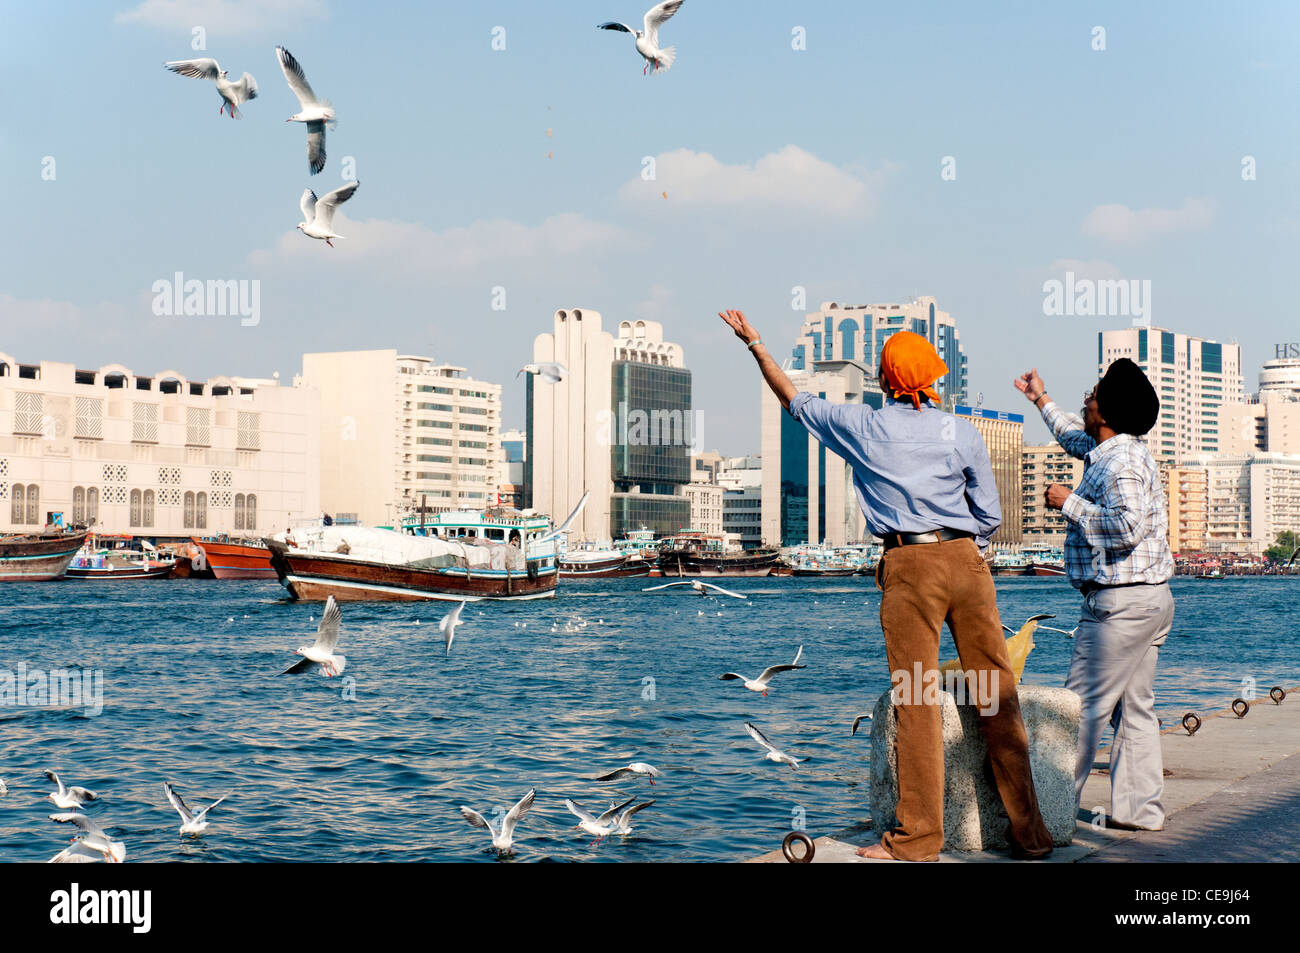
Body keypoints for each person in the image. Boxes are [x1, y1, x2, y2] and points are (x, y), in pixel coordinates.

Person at [721, 309, 1053, 861]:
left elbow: (793, 399)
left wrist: (756, 343)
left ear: (884, 380)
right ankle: (1032, 835)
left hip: (910, 563)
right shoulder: (962, 430)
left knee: (917, 699)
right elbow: (989, 516)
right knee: (998, 695)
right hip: (968, 562)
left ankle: (918, 840)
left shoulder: (865, 425)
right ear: (932, 379)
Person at [1014, 360, 1174, 830]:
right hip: (1148, 600)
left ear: (1107, 411)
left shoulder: (1119, 463)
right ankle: (1140, 812)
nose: (1087, 397)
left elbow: (1126, 527)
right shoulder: (1115, 449)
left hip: (1120, 606)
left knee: (1079, 710)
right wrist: (1040, 399)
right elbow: (1071, 436)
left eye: (1094, 392)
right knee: (1135, 710)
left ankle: (1049, 815)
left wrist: (1070, 503)